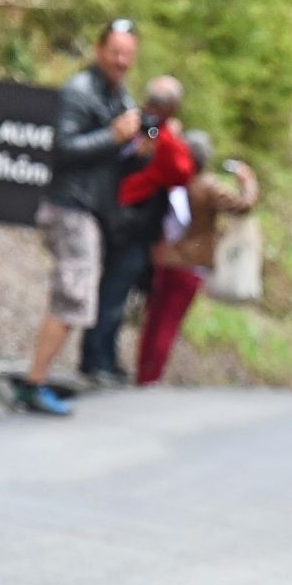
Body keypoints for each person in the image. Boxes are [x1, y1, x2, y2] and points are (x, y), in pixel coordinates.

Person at [15, 19, 145, 416]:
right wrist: (115, 137)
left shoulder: (117, 93)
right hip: (68, 207)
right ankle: (34, 383)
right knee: (74, 296)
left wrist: (137, 145)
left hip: (88, 210)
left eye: (128, 54)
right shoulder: (79, 91)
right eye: (115, 52)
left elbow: (119, 144)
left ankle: (38, 379)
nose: (121, 61)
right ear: (98, 50)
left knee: (76, 297)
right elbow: (62, 148)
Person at [79, 76, 193, 386]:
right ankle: (96, 360)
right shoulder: (143, 129)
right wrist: (167, 136)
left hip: (126, 219)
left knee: (114, 293)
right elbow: (182, 170)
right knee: (113, 294)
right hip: (127, 222)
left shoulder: (142, 127)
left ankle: (102, 357)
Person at [136, 132, 259, 385]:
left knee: (153, 319)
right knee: (168, 322)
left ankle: (141, 373)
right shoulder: (208, 186)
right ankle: (151, 377)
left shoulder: (174, 180)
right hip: (190, 265)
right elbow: (243, 205)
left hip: (163, 257)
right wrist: (248, 182)